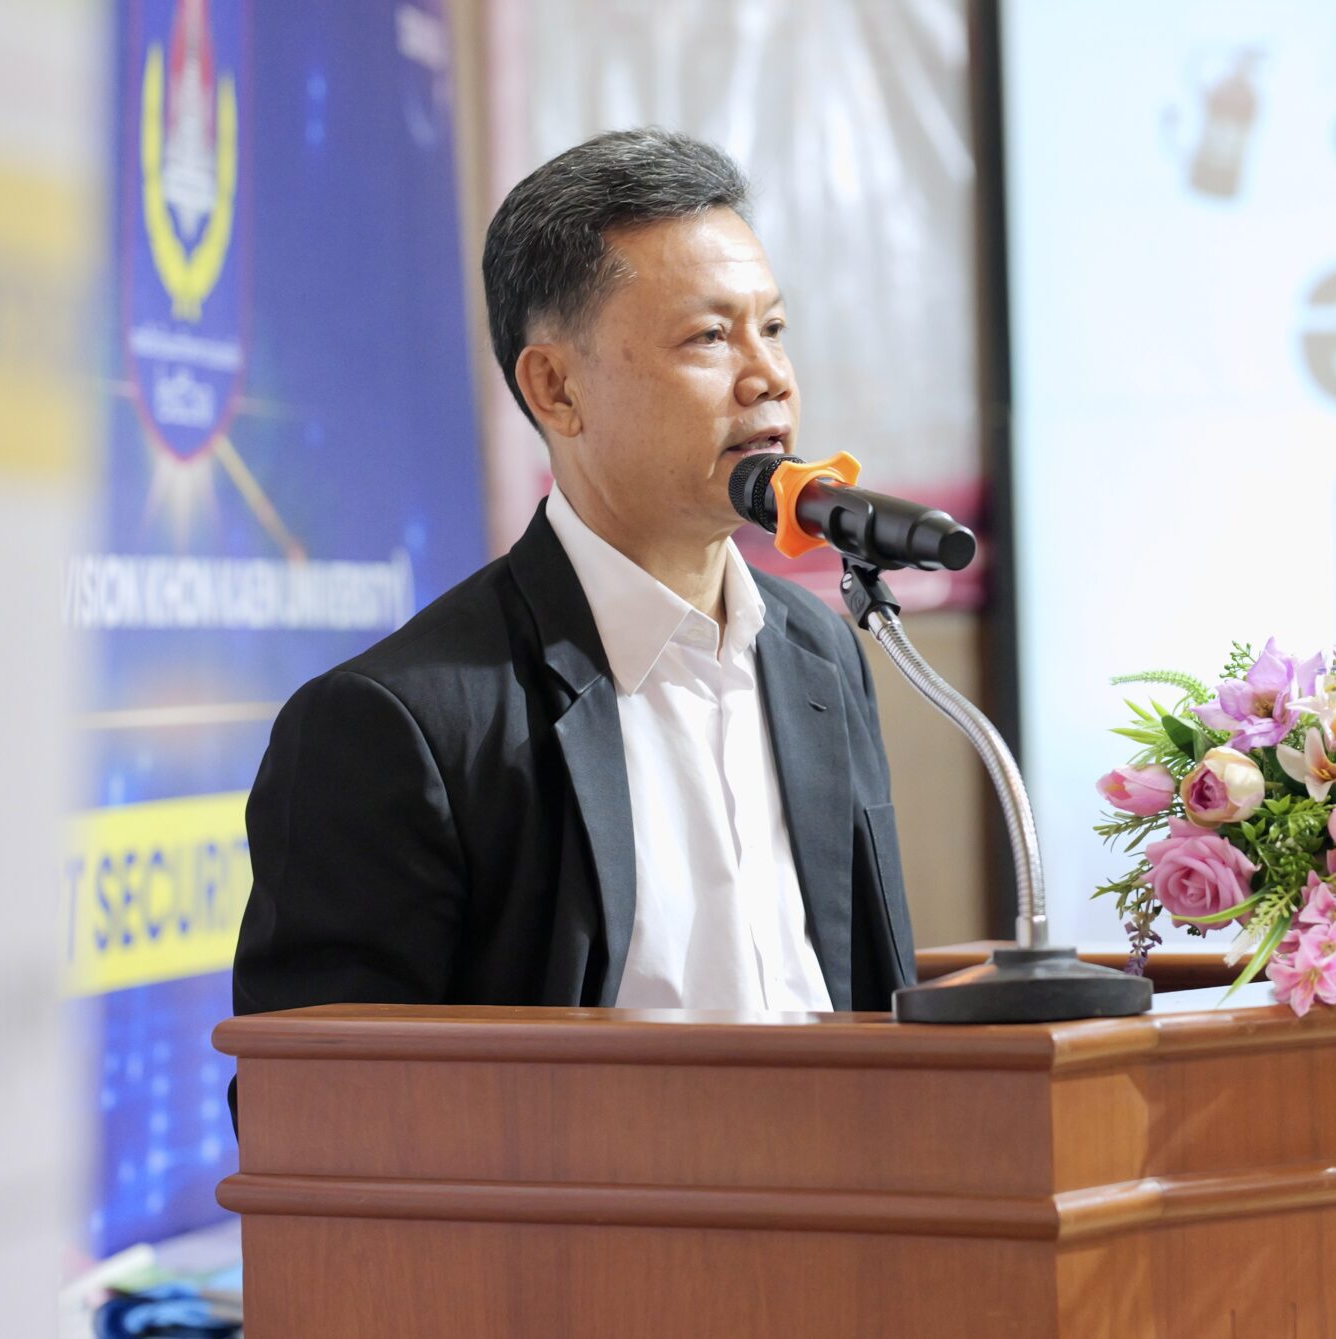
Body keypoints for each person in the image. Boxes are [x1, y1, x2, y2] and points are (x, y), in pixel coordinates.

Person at [232, 129, 917, 1040]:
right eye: (711, 336)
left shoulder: (819, 652)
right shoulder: (395, 727)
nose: (770, 378)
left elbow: (865, 985)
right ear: (556, 388)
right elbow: (321, 1100)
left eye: (775, 328)